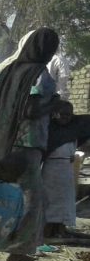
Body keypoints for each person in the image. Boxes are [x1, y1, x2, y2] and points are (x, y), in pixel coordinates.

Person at [0, 27, 62, 261]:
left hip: (0, 141)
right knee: (31, 199)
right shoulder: (41, 75)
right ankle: (18, 250)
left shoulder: (9, 70)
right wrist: (55, 106)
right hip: (26, 145)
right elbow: (31, 109)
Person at [43, 101, 90, 238]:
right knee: (51, 202)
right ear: (54, 114)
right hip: (51, 170)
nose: (66, 118)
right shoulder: (49, 129)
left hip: (67, 169)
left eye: (69, 115)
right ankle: (48, 231)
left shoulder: (73, 128)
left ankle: (60, 229)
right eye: (62, 114)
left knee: (65, 201)